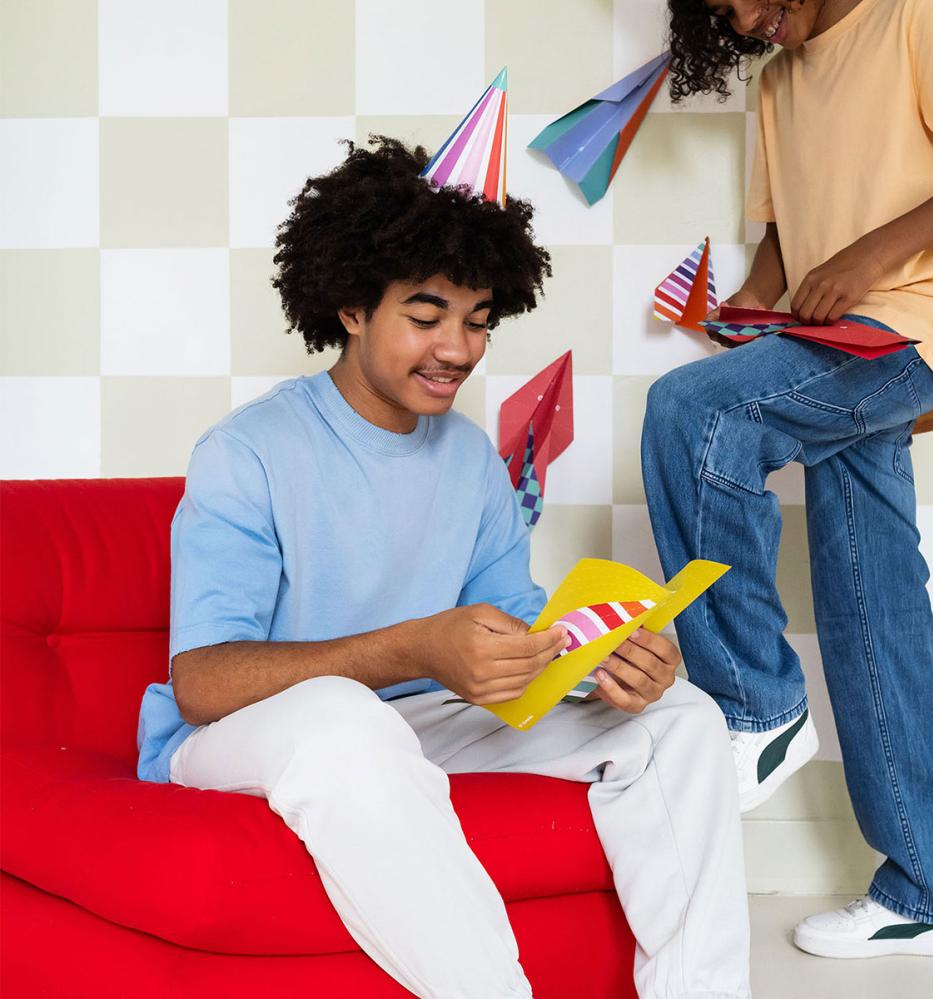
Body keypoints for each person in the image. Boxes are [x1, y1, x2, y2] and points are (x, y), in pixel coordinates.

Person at [136, 136, 751, 999]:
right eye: (426, 317)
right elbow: (202, 682)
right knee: (344, 718)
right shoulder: (248, 451)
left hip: (414, 720)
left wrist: (603, 658)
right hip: (240, 734)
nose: (457, 349)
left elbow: (515, 632)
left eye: (477, 321)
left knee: (679, 718)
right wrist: (415, 646)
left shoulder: (468, 459)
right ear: (352, 307)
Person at [642, 0, 933, 959]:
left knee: (690, 412)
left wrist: (868, 255)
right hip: (826, 340)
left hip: (907, 326)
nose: (751, 21)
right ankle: (930, 891)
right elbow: (785, 234)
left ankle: (756, 702)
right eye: (728, 16)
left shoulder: (914, 14)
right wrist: (753, 299)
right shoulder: (778, 80)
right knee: (872, 606)